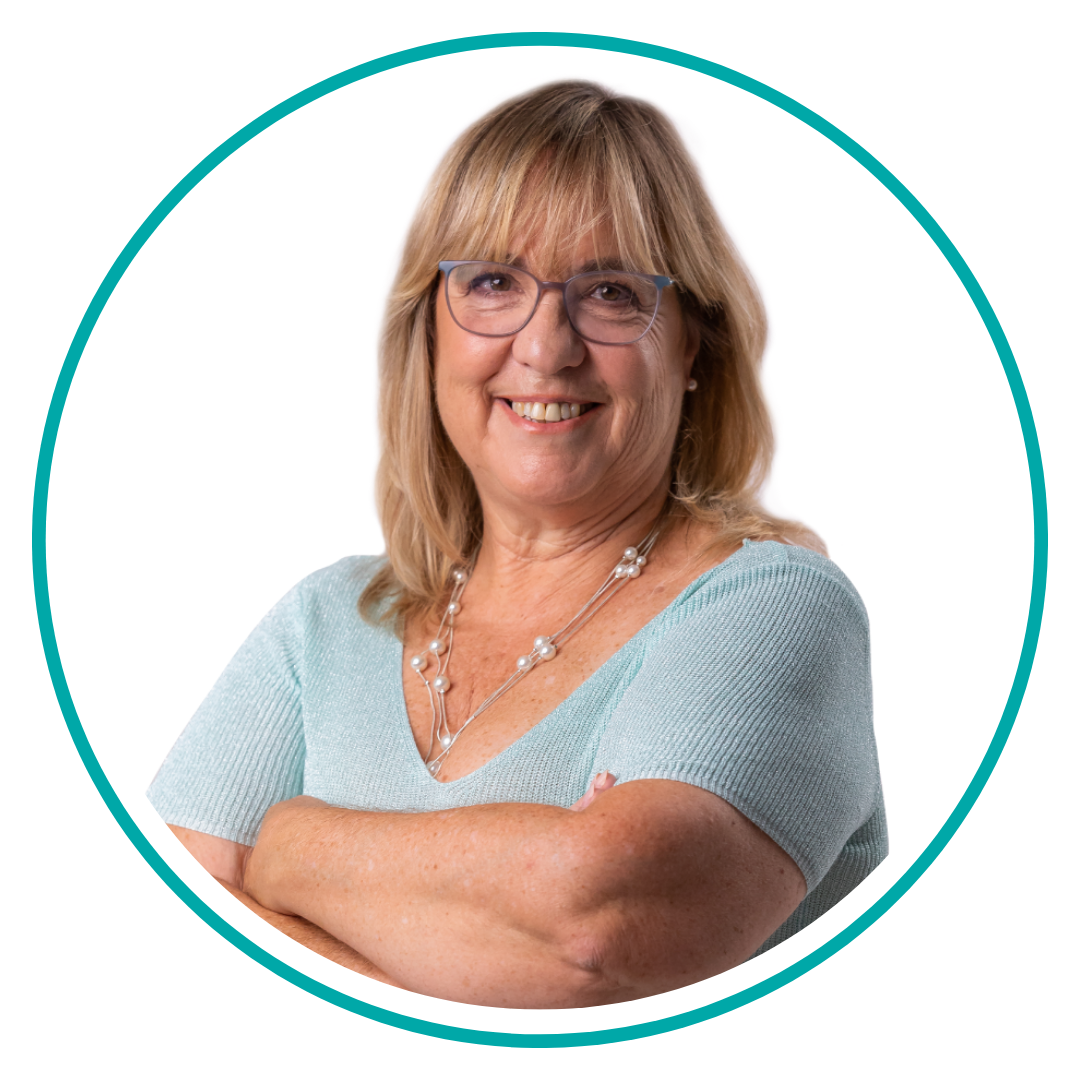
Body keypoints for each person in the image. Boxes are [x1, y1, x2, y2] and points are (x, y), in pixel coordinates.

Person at [149, 80, 886, 1008]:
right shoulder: (325, 625)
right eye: (493, 283)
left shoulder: (775, 607)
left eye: (611, 292)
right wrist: (494, 914)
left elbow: (593, 936)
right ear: (428, 331)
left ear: (693, 346)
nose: (545, 348)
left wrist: (290, 849)